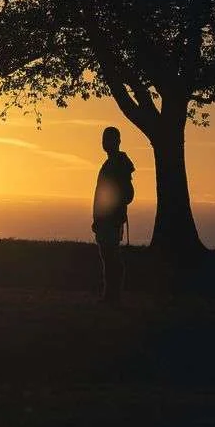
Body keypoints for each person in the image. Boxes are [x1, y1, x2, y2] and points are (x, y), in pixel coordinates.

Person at [92, 126, 135, 305]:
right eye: (104, 139)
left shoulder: (119, 163)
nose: (105, 143)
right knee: (107, 256)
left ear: (117, 141)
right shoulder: (111, 163)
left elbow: (128, 194)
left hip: (111, 219)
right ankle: (110, 295)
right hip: (105, 219)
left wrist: (114, 211)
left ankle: (113, 296)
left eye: (108, 139)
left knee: (112, 258)